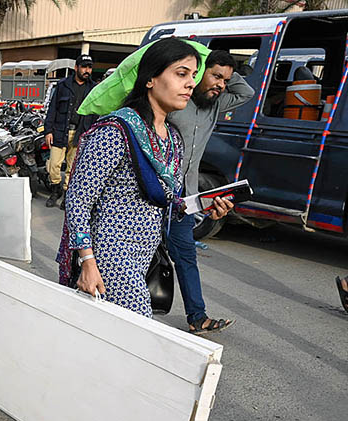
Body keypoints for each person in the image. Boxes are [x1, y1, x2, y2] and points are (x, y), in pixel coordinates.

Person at [58, 38, 231, 317]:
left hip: (144, 256)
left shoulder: (173, 139)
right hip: (110, 254)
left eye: (194, 75)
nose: (191, 83)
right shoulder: (116, 131)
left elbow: (169, 204)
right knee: (139, 332)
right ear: (151, 79)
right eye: (181, 73)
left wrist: (205, 207)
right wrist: (87, 262)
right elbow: (78, 199)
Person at [166, 50, 252, 335]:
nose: (221, 84)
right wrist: (200, 63)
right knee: (139, 254)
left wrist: (225, 74)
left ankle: (197, 317)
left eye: (225, 80)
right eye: (215, 76)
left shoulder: (217, 101)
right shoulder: (176, 98)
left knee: (186, 255)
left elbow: (247, 92)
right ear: (199, 71)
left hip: (186, 194)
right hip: (155, 193)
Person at [43, 54, 99, 209]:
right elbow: (52, 109)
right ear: (76, 68)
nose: (87, 70)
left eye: (89, 67)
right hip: (60, 131)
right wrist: (48, 131)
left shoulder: (93, 88)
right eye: (84, 67)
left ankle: (67, 194)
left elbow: (95, 113)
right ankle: (55, 190)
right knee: (53, 165)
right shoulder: (63, 85)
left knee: (72, 167)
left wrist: (91, 134)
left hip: (80, 133)